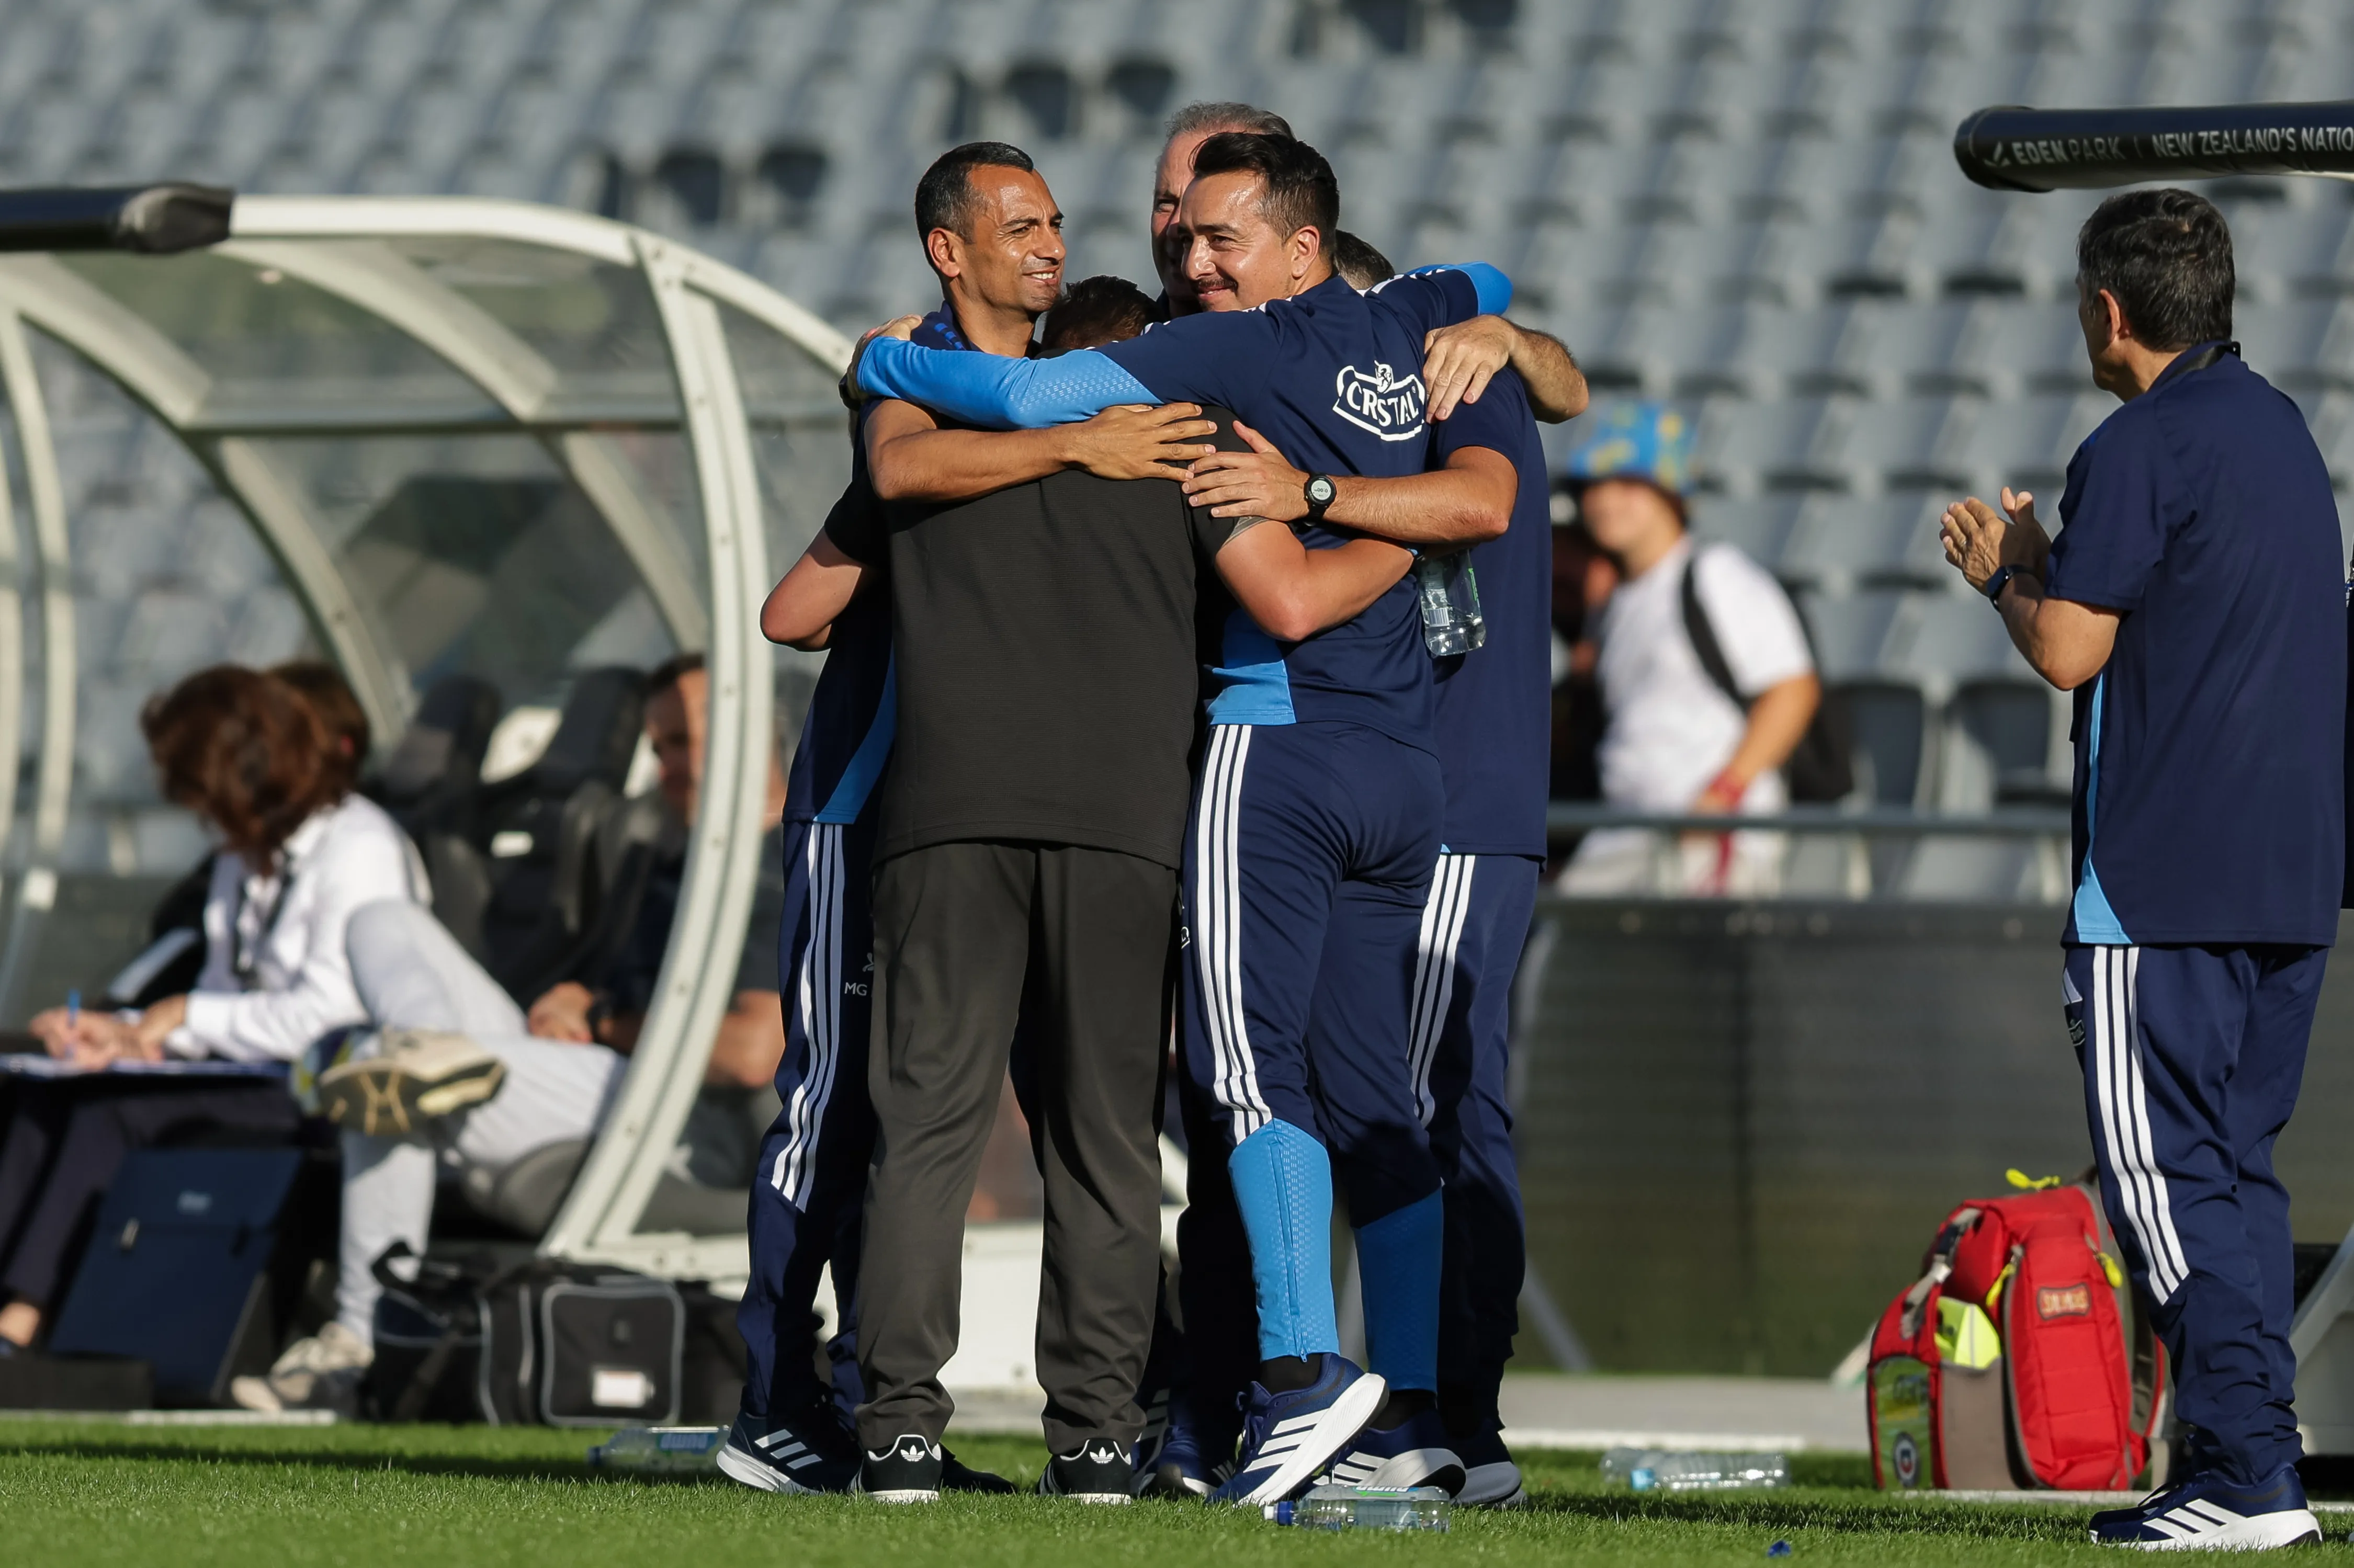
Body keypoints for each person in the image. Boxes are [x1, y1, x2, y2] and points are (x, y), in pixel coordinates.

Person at [848, 131, 1513, 1507]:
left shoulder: (1219, 366)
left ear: (1299, 246)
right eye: (1184, 236)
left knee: (1238, 1078)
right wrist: (1405, 478)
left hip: (1272, 754)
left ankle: (1292, 1381)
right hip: (1405, 771)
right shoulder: (1423, 316)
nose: (1192, 261)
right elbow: (1490, 486)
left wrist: (889, 364)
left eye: (1218, 237)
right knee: (1371, 1097)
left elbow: (1049, 415)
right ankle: (1418, 1416)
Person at [1940, 189, 2342, 1553]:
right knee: (2234, 1169)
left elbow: (2067, 651)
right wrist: (2056, 572)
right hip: (2286, 877)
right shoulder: (2280, 430)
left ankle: (2244, 1466)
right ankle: (2241, 1458)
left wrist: (2004, 575)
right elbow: (2165, 612)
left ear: (2105, 312)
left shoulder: (2134, 443)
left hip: (2159, 880)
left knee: (2161, 1179)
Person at [233, 655, 793, 1415]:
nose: (665, 768)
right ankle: (422, 1044)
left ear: (749, 738)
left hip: (690, 1128)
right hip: (611, 1080)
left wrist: (602, 1022)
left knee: (380, 1074)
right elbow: (639, 1003)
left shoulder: (777, 860)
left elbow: (752, 1050)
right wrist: (577, 1003)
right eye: (656, 748)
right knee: (382, 922)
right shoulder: (673, 856)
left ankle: (361, 1341)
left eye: (682, 744)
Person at [0, 665, 427, 1353]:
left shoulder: (360, 850)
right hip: (250, 1071)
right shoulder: (245, 855)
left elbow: (334, 1015)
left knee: (108, 1114)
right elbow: (228, 986)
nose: (203, 819)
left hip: (323, 1090)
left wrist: (188, 1018)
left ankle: (23, 1323)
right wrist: (131, 1036)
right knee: (44, 1091)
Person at [1554, 404, 1821, 897]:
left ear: (1672, 494)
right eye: (1592, 486)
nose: (1604, 501)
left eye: (1629, 484)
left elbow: (1792, 690)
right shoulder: (1613, 604)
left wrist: (1722, 796)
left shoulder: (1716, 574)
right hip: (1626, 838)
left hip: (1706, 843)